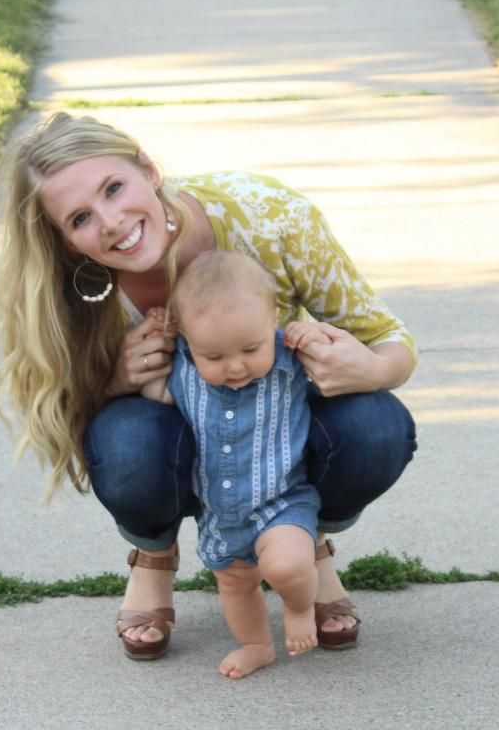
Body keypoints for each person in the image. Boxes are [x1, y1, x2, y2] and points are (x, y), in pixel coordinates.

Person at [0, 111, 418, 664]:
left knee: (377, 425)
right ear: (67, 241)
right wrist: (115, 379)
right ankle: (153, 557)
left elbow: (388, 337)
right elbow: (56, 410)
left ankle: (304, 540)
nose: (113, 222)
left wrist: (372, 370)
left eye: (115, 188)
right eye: (80, 218)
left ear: (148, 168)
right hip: (171, 437)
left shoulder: (267, 215)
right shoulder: (67, 287)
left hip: (276, 440)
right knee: (125, 443)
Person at [140, 249, 341, 679]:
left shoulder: (289, 358)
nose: (235, 366)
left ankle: (301, 606)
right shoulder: (184, 368)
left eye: (251, 348)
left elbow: (332, 365)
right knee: (235, 586)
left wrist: (316, 335)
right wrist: (157, 332)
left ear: (273, 323)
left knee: (286, 565)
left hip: (281, 502)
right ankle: (257, 645)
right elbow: (154, 392)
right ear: (189, 342)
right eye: (214, 356)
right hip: (220, 517)